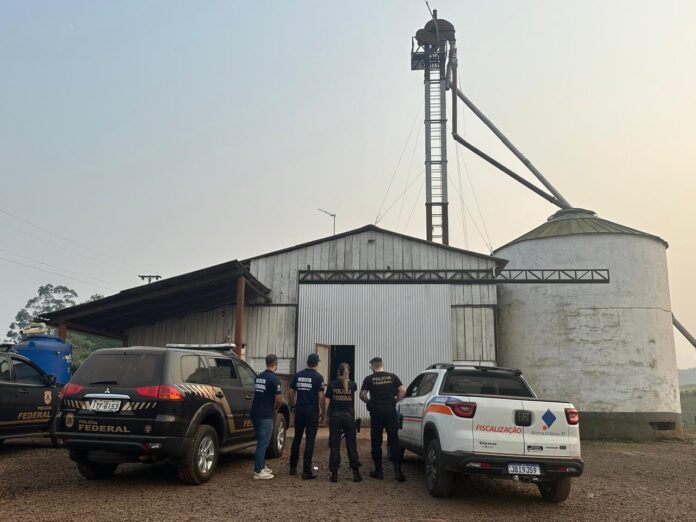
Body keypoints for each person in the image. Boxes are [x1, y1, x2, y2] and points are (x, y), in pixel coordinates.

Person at [359, 356, 407, 482]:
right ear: (382, 364)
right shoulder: (392, 376)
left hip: (376, 412)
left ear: (373, 366)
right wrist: (394, 402)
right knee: (394, 440)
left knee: (376, 441)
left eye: (370, 366)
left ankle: (378, 471)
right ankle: (398, 472)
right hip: (390, 411)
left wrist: (369, 402)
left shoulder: (369, 379)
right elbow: (403, 391)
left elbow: (362, 395)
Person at [288, 353, 325, 479]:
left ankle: (292, 467)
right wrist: (323, 412)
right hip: (312, 411)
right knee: (310, 440)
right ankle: (306, 470)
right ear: (317, 363)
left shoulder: (298, 375)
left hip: (299, 410)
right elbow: (321, 397)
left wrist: (293, 406)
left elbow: (291, 391)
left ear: (308, 362)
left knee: (297, 438)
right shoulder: (318, 377)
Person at [324, 362, 362, 483]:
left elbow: (326, 401)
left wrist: (325, 416)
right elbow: (349, 384)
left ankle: (334, 474)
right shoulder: (353, 385)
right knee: (351, 445)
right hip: (349, 417)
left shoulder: (332, 385)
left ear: (337, 372)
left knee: (334, 445)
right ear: (348, 372)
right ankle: (356, 473)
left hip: (335, 417)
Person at [250, 353, 283, 480]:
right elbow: (279, 400)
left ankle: (262, 466)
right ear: (275, 364)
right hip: (265, 414)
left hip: (255, 412)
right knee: (263, 443)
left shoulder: (259, 377)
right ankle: (258, 471)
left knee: (260, 441)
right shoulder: (275, 379)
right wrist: (275, 409)